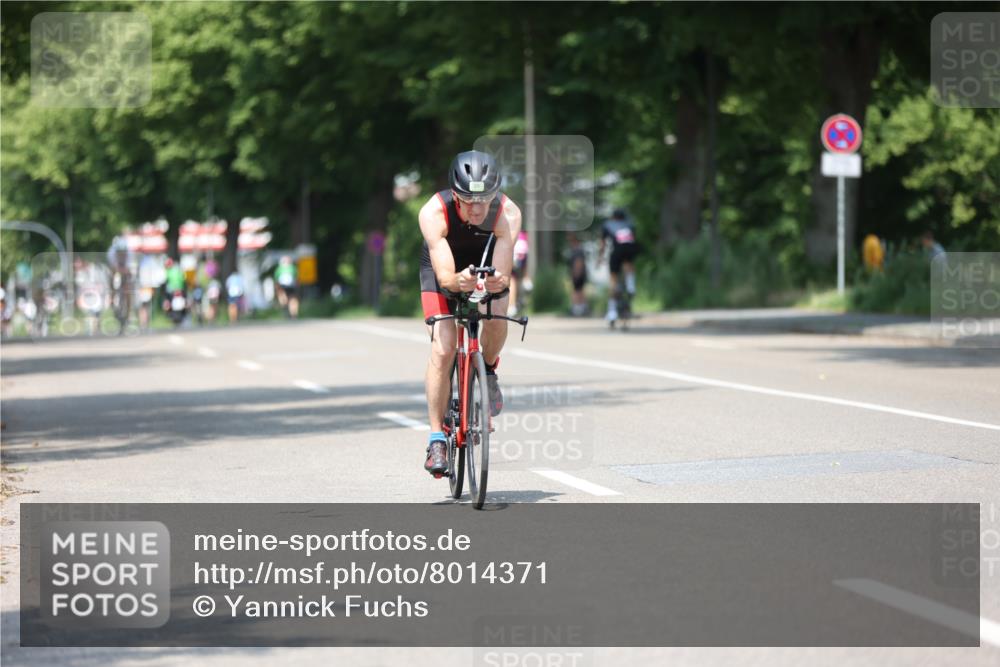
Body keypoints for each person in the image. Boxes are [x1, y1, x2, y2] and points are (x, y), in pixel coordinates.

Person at [418, 150, 521, 476]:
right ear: (454, 194)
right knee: (443, 347)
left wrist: (494, 282)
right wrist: (457, 281)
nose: (476, 209)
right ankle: (436, 437)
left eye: (484, 200)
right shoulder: (433, 212)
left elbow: (502, 277)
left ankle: (487, 369)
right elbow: (446, 278)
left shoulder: (508, 213)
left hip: (486, 261)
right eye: (467, 200)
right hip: (442, 268)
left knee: (496, 312)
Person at [599, 208, 638, 324]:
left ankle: (612, 312)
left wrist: (600, 257)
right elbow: (632, 239)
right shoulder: (630, 224)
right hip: (630, 249)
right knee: (628, 263)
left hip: (617, 251)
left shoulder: (608, 224)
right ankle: (631, 285)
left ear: (613, 217)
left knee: (613, 279)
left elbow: (603, 243)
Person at [566, 233, 588, 316]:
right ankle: (582, 308)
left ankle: (576, 309)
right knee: (580, 290)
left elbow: (578, 262)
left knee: (576, 291)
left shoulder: (577, 250)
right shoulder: (578, 249)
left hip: (578, 274)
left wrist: (575, 274)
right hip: (580, 274)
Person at [508, 231, 529, 316]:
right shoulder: (524, 235)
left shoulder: (510, 231)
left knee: (512, 280)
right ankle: (518, 302)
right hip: (522, 258)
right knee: (518, 280)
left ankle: (512, 306)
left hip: (514, 256)